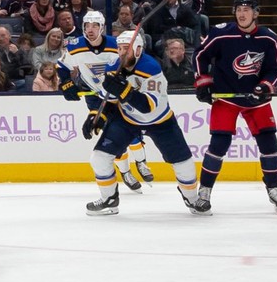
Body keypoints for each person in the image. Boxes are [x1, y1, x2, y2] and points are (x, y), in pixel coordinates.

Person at [75, 30, 201, 216]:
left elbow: (147, 106)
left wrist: (124, 90)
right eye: (119, 48)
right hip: (127, 119)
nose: (122, 52)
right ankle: (109, 199)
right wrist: (96, 116)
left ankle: (192, 199)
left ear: (138, 49)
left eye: (127, 48)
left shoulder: (151, 68)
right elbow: (108, 99)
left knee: (183, 161)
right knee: (99, 157)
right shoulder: (113, 66)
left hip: (160, 121)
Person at [191, 0, 277, 214]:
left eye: (247, 9)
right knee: (218, 145)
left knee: (269, 144)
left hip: (256, 100)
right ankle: (204, 192)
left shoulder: (268, 38)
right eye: (239, 9)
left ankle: (274, 189)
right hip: (227, 97)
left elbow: (275, 69)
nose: (242, 14)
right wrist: (203, 82)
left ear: (256, 13)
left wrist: (264, 87)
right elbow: (200, 55)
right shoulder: (221, 33)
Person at [58, 10, 150, 191]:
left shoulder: (117, 44)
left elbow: (132, 62)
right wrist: (66, 83)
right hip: (95, 94)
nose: (90, 29)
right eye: (87, 25)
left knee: (132, 129)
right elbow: (61, 66)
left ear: (102, 27)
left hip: (117, 91)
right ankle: (125, 171)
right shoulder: (74, 46)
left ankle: (141, 161)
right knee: (112, 133)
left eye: (95, 25)